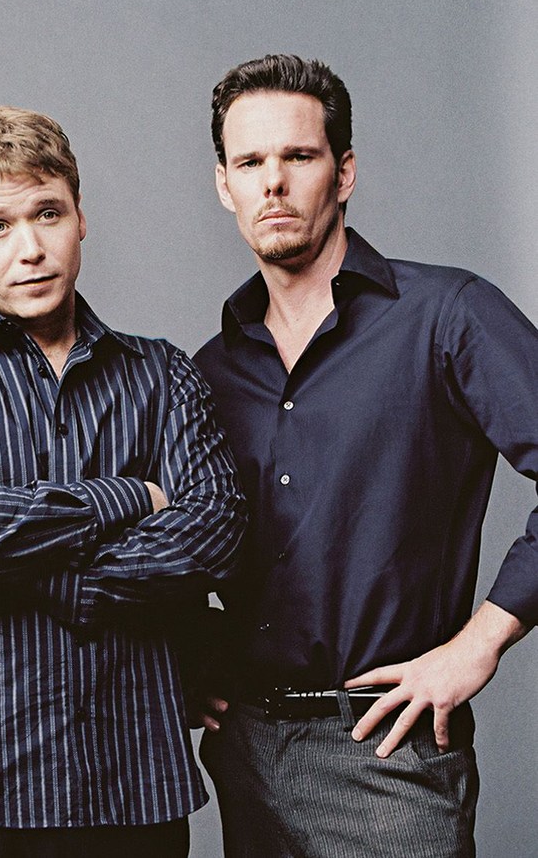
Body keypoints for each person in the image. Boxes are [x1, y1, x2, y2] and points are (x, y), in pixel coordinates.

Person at [0, 106, 244, 856]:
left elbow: (213, 532)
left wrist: (2, 530)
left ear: (80, 218)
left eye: (48, 213)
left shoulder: (163, 374)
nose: (31, 248)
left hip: (131, 786)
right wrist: (130, 496)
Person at [194, 53, 538, 858]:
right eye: (250, 162)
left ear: (343, 172)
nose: (274, 183)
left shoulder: (447, 315)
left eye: (298, 156)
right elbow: (176, 542)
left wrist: (480, 642)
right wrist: (188, 653)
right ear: (225, 185)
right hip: (245, 754)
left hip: (387, 753)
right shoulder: (210, 370)